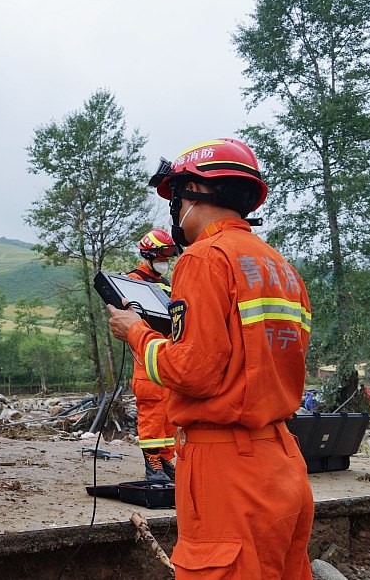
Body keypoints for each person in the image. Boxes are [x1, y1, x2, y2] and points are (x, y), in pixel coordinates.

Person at [107, 138, 313, 578]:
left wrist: (136, 332)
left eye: (175, 197)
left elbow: (192, 372)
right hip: (283, 460)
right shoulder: (280, 266)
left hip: (226, 466)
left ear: (196, 193)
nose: (174, 209)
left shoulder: (204, 258)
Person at [127, 229, 179, 482]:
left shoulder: (165, 284)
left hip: (168, 351)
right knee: (152, 409)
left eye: (169, 256)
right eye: (162, 256)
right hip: (146, 353)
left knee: (170, 411)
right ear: (148, 255)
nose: (165, 262)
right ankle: (153, 462)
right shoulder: (131, 282)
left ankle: (166, 458)